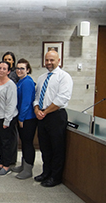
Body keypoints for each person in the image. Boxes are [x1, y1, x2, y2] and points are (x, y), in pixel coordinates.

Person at [33, 50, 73, 187]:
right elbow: (37, 97)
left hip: (56, 116)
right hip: (42, 116)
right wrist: (37, 109)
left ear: (58, 60)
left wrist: (45, 111)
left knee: (57, 148)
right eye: (47, 60)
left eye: (52, 60)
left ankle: (55, 177)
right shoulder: (41, 77)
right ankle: (46, 172)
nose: (49, 63)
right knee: (44, 147)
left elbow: (62, 98)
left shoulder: (64, 77)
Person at [11, 59, 37, 179]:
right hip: (23, 117)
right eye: (18, 68)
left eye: (22, 68)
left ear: (27, 70)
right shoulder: (21, 81)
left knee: (27, 143)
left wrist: (21, 118)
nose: (19, 70)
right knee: (24, 142)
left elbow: (26, 102)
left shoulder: (27, 82)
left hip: (28, 118)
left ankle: (28, 169)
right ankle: (23, 165)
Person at [0, 61, 18, 176]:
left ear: (8, 71)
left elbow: (11, 104)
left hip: (7, 118)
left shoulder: (11, 84)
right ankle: (1, 162)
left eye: (4, 68)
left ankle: (7, 165)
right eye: (0, 68)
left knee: (7, 142)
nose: (1, 70)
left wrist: (7, 120)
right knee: (1, 142)